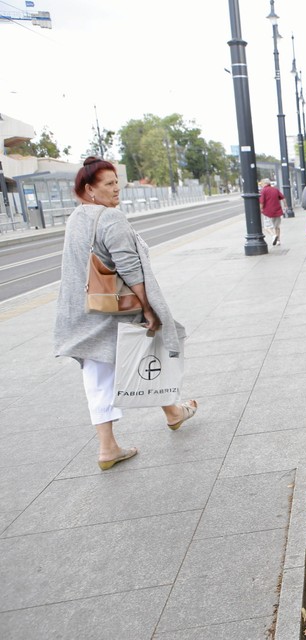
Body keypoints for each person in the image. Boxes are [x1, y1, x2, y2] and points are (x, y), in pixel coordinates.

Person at [53, 157, 198, 471]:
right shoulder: (110, 218)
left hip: (84, 312)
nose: (116, 189)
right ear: (89, 189)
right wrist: (148, 308)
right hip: (115, 310)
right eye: (108, 184)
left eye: (117, 182)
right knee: (148, 354)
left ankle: (110, 447)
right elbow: (130, 268)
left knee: (98, 378)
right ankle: (172, 413)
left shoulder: (77, 218)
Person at [259, 178, 285, 246]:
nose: (261, 185)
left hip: (267, 211)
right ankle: (278, 241)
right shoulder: (275, 189)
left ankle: (273, 235)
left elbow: (262, 202)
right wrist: (286, 206)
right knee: (277, 226)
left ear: (264, 183)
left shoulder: (263, 191)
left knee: (267, 227)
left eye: (261, 183)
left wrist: (261, 209)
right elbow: (283, 197)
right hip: (277, 210)